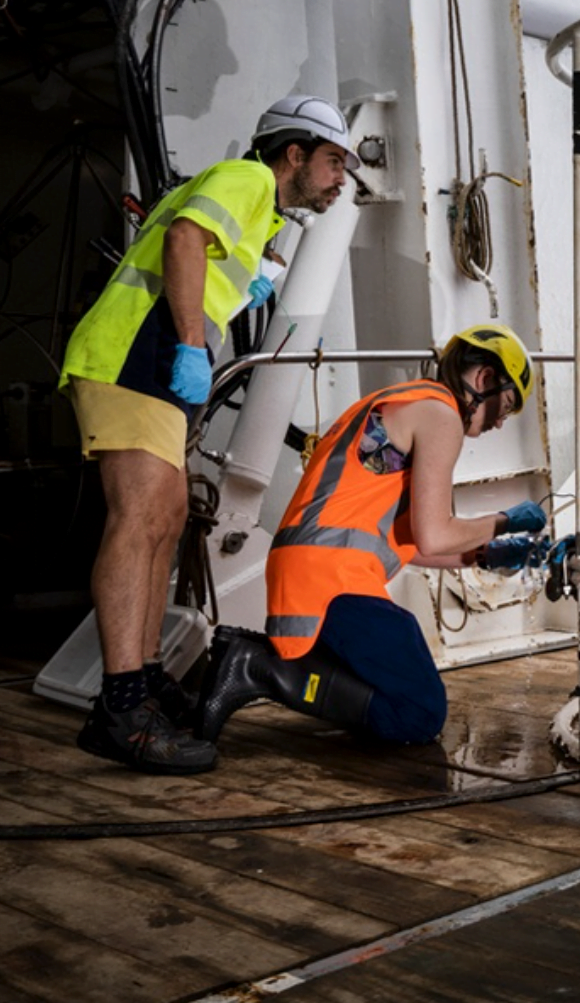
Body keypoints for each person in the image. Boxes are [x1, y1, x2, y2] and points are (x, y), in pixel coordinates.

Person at [60, 95, 359, 774]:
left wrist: (238, 290)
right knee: (139, 521)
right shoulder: (250, 178)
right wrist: (194, 348)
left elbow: (200, 254)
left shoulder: (259, 206)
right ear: (294, 155)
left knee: (164, 521)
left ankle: (140, 682)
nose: (341, 178)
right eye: (333, 161)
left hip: (152, 366)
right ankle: (120, 707)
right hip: (136, 357)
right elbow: (184, 240)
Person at [191, 324, 548, 751]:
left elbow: (407, 542)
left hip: (308, 567)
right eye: (505, 407)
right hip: (332, 580)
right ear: (486, 378)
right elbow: (434, 535)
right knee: (420, 712)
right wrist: (505, 520)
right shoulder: (441, 415)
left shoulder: (395, 402)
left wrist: (483, 554)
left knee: (395, 677)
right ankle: (256, 667)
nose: (501, 422)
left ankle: (253, 658)